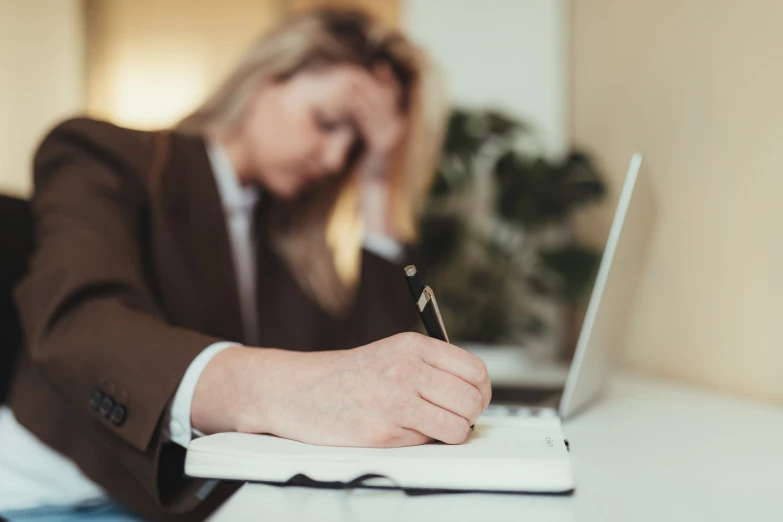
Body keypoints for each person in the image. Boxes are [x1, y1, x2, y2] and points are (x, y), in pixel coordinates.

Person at [0, 8, 491, 522]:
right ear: (265, 78)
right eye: (327, 123)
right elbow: (79, 322)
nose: (333, 159)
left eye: (356, 150)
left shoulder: (283, 236)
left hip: (208, 496)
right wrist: (286, 389)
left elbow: (367, 372)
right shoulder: (105, 154)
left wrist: (376, 181)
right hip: (66, 496)